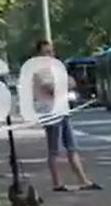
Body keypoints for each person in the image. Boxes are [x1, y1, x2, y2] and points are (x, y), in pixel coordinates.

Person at [32, 39, 100, 191]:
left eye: (51, 51)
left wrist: (62, 85)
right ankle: (57, 183)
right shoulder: (39, 70)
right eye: (46, 52)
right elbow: (51, 89)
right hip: (50, 112)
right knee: (54, 149)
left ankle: (84, 180)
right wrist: (63, 85)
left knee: (72, 146)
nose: (51, 55)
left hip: (63, 110)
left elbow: (72, 82)